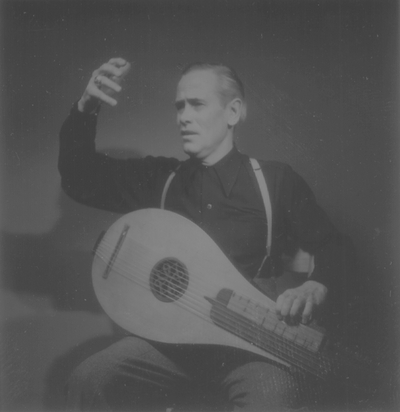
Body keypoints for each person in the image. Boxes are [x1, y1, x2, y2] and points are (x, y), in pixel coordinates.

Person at [59, 57, 348, 411]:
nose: (183, 116)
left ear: (233, 112)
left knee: (272, 399)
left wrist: (315, 284)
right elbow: (78, 177)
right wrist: (88, 107)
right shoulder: (161, 179)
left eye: (196, 104)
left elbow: (335, 247)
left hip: (252, 348)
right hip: (170, 346)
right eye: (179, 106)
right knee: (90, 378)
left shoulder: (274, 181)